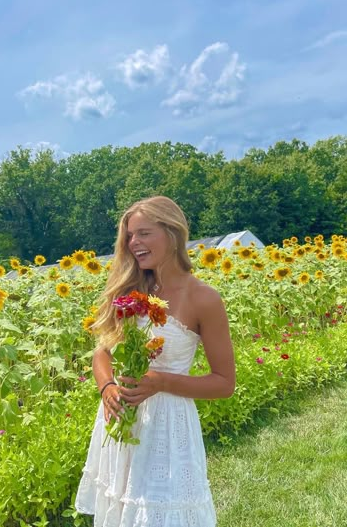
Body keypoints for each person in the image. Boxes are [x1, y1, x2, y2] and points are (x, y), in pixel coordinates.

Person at [75, 195, 235, 526]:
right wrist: (107, 386)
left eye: (143, 233)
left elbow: (224, 383)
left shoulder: (203, 299)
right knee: (121, 511)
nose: (134, 243)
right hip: (120, 418)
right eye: (130, 236)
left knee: (159, 514)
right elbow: (102, 351)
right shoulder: (129, 289)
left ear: (173, 232)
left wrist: (160, 382)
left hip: (168, 428)